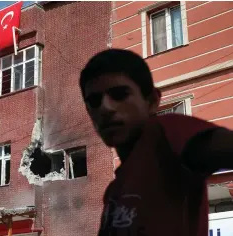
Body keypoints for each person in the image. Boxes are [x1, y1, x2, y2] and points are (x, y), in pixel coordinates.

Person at [79, 49, 233, 236]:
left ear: (152, 101)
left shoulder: (166, 133)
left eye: (119, 95)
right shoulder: (114, 190)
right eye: (94, 101)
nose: (105, 108)